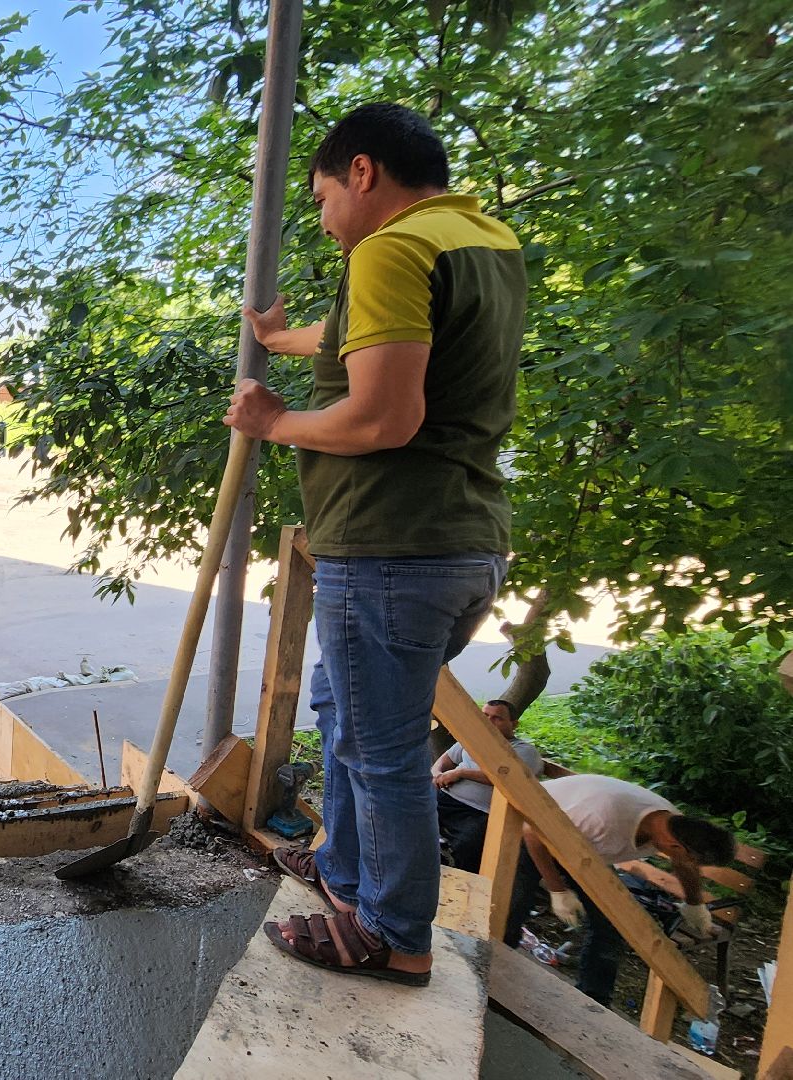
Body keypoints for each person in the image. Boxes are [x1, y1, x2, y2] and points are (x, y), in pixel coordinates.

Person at [225, 102, 526, 986]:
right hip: (462, 546)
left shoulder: (389, 249)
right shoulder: (476, 241)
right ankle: (345, 872)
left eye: (321, 196)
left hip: (395, 547)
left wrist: (276, 420)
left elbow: (386, 413)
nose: (321, 219)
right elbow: (383, 341)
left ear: (363, 172)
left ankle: (391, 935)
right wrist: (285, 339)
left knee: (380, 746)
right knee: (341, 711)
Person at [502, 774, 734, 1004]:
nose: (690, 864)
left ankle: (594, 1000)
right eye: (693, 860)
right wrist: (557, 889)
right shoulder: (603, 818)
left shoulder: (676, 827)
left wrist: (695, 903)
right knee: (514, 901)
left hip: (582, 850)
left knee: (611, 921)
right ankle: (498, 954)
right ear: (674, 846)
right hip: (533, 830)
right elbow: (533, 833)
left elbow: (683, 863)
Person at [432, 698, 547, 870]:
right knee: (402, 813)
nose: (488, 722)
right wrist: (436, 774)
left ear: (514, 724)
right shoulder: (474, 739)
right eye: (485, 715)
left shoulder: (524, 751)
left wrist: (461, 773)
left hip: (480, 812)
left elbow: (513, 780)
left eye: (497, 718)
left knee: (468, 845)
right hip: (445, 797)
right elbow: (444, 760)